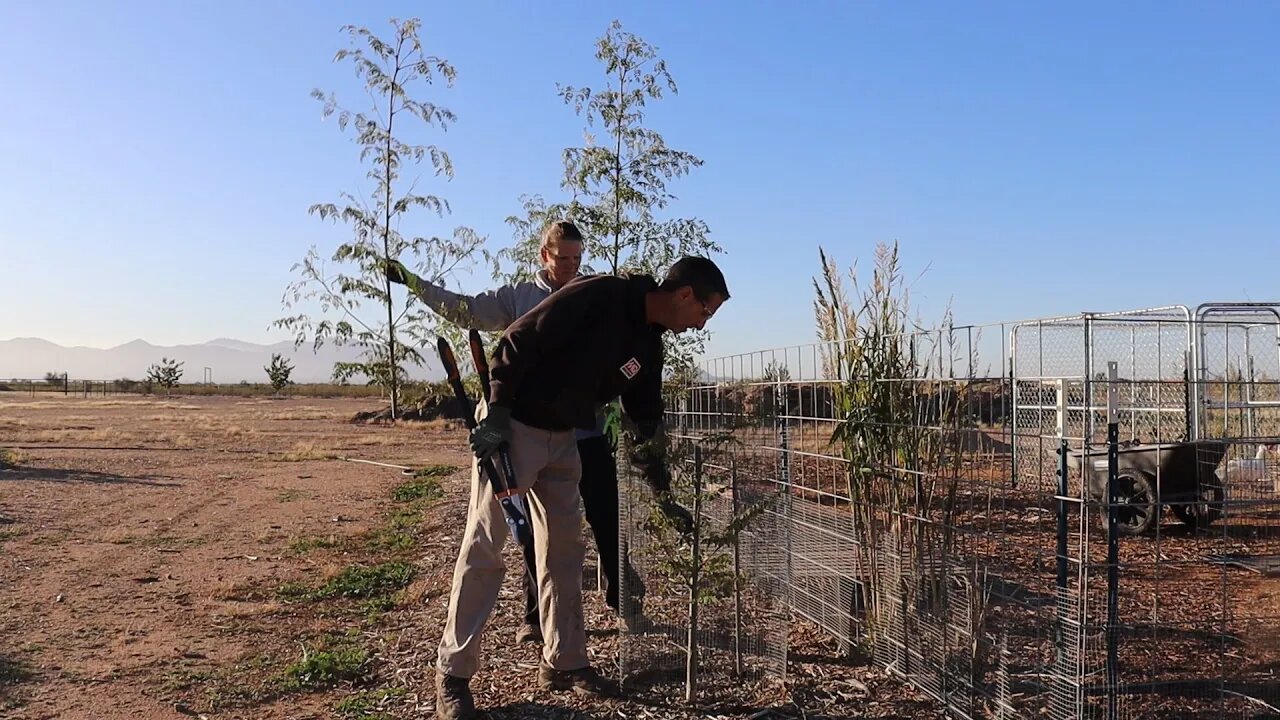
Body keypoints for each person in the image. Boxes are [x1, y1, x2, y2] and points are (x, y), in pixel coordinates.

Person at [431, 256, 729, 720]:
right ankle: (452, 676)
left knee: (565, 551)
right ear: (684, 294)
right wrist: (498, 416)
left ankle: (565, 661)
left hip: (563, 438)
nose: (701, 324)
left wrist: (663, 492)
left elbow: (643, 421)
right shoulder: (602, 295)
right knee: (486, 547)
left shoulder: (649, 345)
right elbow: (517, 341)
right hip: (514, 428)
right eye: (705, 312)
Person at [386, 220, 642, 644]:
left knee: (604, 521)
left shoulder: (591, 296)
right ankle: (535, 618)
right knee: (526, 529)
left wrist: (617, 409)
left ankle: (626, 604)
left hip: (586, 433)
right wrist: (416, 284)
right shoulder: (519, 298)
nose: (570, 267)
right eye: (563, 258)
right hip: (527, 431)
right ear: (544, 255)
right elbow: (465, 310)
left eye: (577, 259)